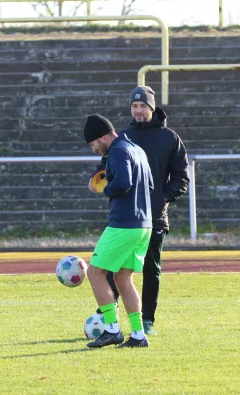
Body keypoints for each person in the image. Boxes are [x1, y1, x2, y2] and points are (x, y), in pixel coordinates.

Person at [88, 86, 190, 336]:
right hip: (131, 215)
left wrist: (162, 200)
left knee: (149, 269)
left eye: (143, 106)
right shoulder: (124, 137)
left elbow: (181, 178)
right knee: (117, 271)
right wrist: (99, 180)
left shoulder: (169, 138)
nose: (138, 110)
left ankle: (145, 321)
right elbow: (105, 169)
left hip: (151, 215)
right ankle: (111, 319)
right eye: (134, 106)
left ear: (152, 108)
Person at [83, 113, 154, 348]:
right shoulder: (137, 149)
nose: (94, 150)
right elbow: (150, 185)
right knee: (123, 278)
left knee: (95, 273)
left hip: (124, 223)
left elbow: (123, 183)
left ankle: (112, 329)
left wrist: (103, 189)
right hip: (144, 225)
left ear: (103, 136)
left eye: (93, 144)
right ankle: (138, 335)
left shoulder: (117, 151)